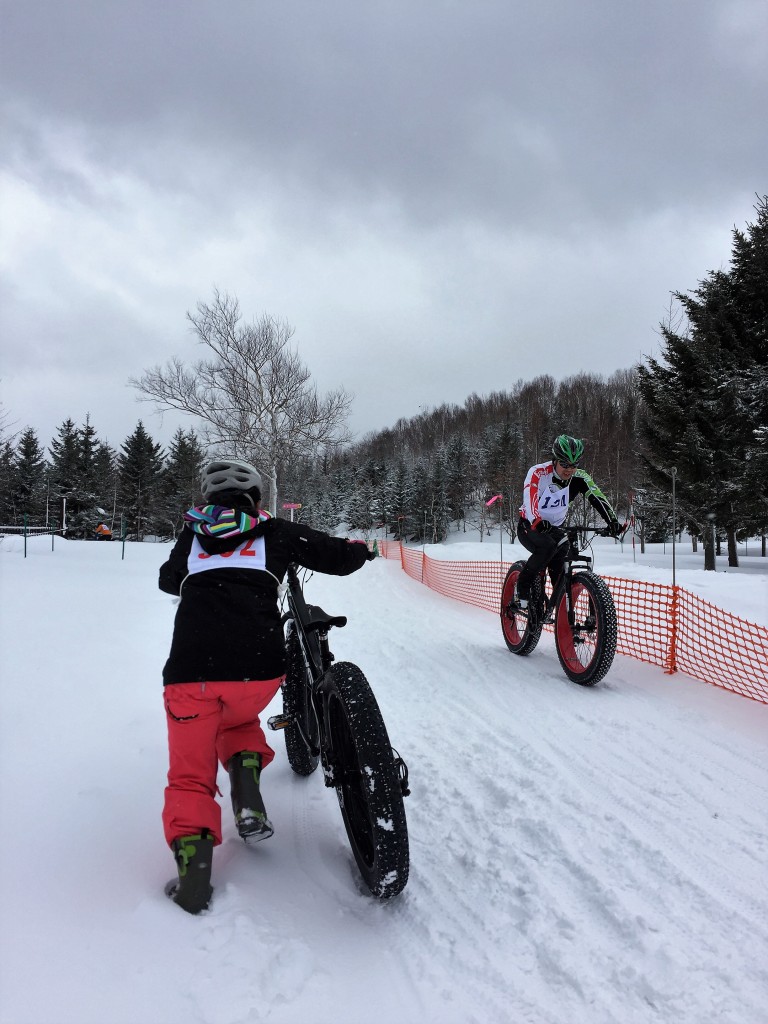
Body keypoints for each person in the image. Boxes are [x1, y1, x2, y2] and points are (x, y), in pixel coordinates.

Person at [158, 458, 375, 914]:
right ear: (255, 498)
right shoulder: (273, 530)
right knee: (237, 720)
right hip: (258, 669)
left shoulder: (192, 534)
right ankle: (248, 795)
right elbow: (334, 556)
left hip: (189, 674)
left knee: (189, 775)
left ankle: (194, 881)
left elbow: (167, 580)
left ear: (208, 499)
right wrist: (363, 549)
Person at [515, 435, 622, 614]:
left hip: (556, 528)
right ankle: (522, 589)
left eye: (574, 465)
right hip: (530, 525)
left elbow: (597, 497)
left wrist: (612, 521)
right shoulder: (538, 473)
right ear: (555, 460)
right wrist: (537, 520)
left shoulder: (579, 477)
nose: (569, 470)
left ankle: (560, 609)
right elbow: (530, 498)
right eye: (565, 464)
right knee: (547, 548)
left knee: (563, 561)